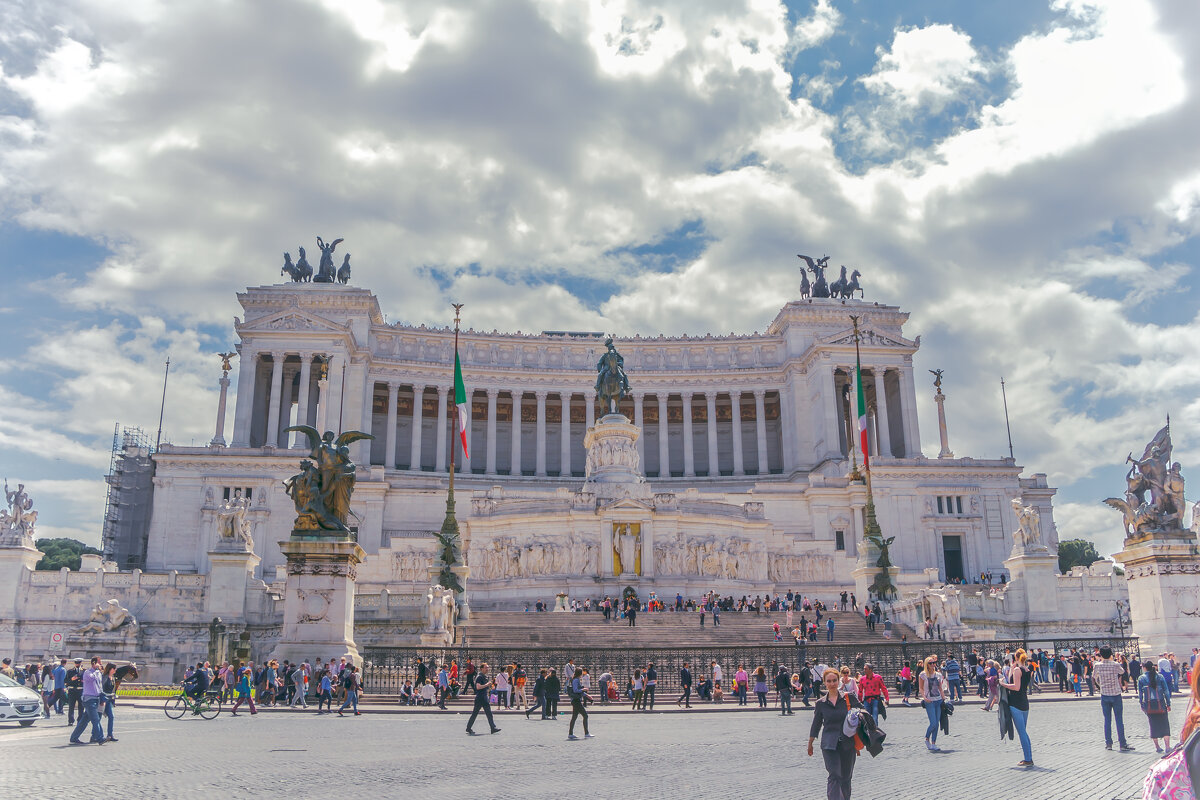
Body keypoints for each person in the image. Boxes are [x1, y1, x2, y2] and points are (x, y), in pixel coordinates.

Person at [808, 668, 863, 800]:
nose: (832, 683)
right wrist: (810, 743)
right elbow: (816, 724)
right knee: (834, 775)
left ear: (839, 681)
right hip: (829, 744)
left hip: (847, 743)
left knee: (845, 776)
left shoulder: (849, 697)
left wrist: (857, 718)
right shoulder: (820, 703)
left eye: (834, 680)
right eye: (829, 681)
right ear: (824, 683)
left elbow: (863, 712)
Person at [1094, 646, 1135, 751]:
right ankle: (1122, 743)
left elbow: (1095, 677)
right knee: (1119, 720)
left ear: (1101, 655)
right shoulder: (1115, 664)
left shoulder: (1097, 665)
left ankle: (1108, 744)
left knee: (1107, 720)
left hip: (1105, 694)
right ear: (1111, 654)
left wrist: (1100, 685)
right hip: (1116, 694)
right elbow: (1122, 672)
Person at [1001, 649, 1035, 767]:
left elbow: (1016, 687)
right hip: (1025, 703)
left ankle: (1028, 759)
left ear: (1016, 658)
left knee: (1021, 732)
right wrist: (1011, 667)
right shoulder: (1027, 669)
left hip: (1015, 703)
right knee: (1023, 732)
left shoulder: (1017, 670)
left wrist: (1003, 684)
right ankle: (1028, 757)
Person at [68, 656, 106, 746]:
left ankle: (74, 737)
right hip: (88, 699)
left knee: (84, 721)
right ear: (93, 663)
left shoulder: (98, 673)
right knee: (95, 719)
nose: (100, 664)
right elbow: (92, 678)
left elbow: (99, 685)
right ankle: (100, 738)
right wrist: (96, 669)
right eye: (99, 662)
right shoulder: (87, 672)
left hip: (96, 698)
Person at [1138, 660, 1172, 753]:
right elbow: (1166, 691)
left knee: (1153, 725)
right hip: (1161, 704)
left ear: (1144, 668)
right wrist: (1168, 703)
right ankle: (1167, 746)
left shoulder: (1141, 678)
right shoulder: (1160, 676)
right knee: (1165, 724)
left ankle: (1157, 747)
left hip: (1149, 705)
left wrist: (1141, 704)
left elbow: (1140, 694)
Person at [918, 655, 947, 752]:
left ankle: (933, 743)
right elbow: (921, 688)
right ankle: (927, 739)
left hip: (938, 700)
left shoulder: (938, 675)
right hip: (929, 701)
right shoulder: (922, 675)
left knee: (937, 723)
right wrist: (924, 697)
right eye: (930, 663)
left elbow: (940, 688)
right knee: (933, 723)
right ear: (926, 664)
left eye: (933, 663)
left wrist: (944, 698)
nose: (933, 665)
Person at [466, 662, 501, 734]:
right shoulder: (479, 676)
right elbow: (478, 687)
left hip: (483, 697)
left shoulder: (483, 676)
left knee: (488, 713)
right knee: (476, 713)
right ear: (481, 668)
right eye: (486, 668)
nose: (487, 669)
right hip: (480, 697)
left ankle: (492, 727)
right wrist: (487, 684)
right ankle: (469, 728)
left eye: (488, 667)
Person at [567, 667, 593, 739]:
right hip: (576, 701)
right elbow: (576, 690)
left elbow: (579, 691)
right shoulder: (576, 680)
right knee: (585, 715)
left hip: (575, 700)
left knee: (574, 717)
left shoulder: (576, 679)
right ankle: (586, 733)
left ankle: (570, 733)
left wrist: (587, 695)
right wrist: (583, 689)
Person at [65, 658, 84, 724]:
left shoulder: (84, 671)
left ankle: (80, 720)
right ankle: (71, 720)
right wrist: (71, 679)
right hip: (72, 690)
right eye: (76, 663)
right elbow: (66, 682)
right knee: (71, 706)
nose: (77, 664)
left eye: (79, 663)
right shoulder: (70, 671)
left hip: (80, 690)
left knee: (81, 706)